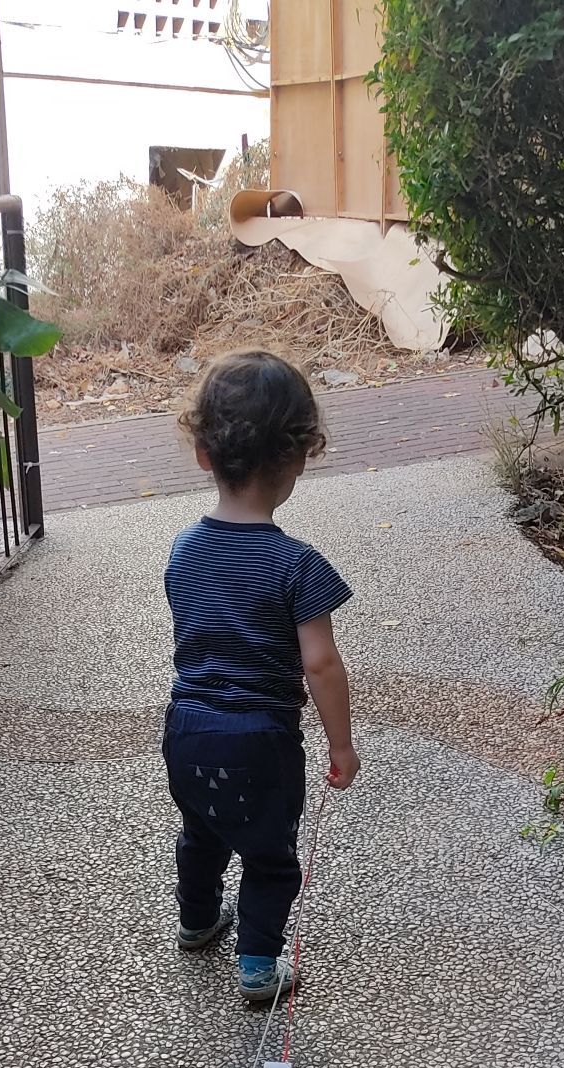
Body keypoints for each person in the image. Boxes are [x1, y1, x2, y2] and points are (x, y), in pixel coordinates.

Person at [162, 350, 360, 1005]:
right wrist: (340, 745)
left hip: (187, 730)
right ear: (300, 455)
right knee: (270, 856)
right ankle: (255, 966)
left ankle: (196, 922)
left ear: (202, 455)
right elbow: (320, 664)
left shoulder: (184, 551)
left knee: (202, 833)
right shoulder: (297, 566)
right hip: (260, 740)